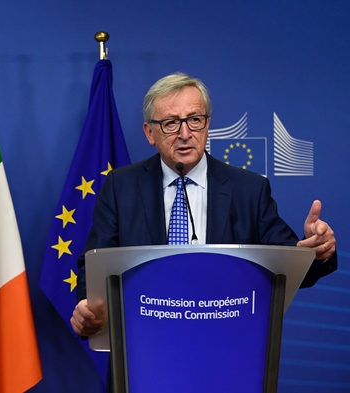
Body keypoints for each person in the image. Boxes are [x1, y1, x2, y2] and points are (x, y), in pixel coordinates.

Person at [70, 72, 337, 338]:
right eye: (171, 123)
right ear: (150, 132)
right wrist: (87, 307)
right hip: (143, 343)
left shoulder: (249, 190)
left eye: (195, 120)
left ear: (208, 124)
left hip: (226, 346)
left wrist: (316, 251)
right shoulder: (121, 187)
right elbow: (95, 263)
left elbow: (287, 265)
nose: (185, 134)